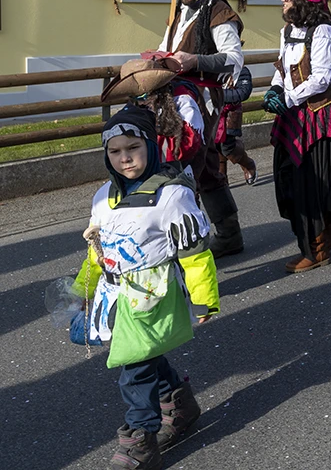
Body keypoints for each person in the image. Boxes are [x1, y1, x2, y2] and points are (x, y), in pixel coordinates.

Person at [73, 105, 219, 469]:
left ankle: (140, 437)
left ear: (151, 146)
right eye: (115, 151)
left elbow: (195, 254)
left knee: (133, 365)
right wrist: (83, 290)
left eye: (133, 148)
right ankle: (180, 403)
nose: (125, 159)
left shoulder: (171, 195)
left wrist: (205, 300)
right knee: (144, 355)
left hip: (153, 296)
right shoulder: (103, 196)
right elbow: (97, 251)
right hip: (115, 294)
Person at [264, 0, 331, 273]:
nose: (282, 0)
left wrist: (288, 97)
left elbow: (322, 79)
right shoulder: (287, 31)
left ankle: (316, 247)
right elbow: (282, 66)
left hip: (317, 117)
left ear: (302, 0)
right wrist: (275, 89)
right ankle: (315, 235)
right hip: (293, 115)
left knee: (311, 183)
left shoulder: (324, 32)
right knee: (287, 177)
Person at [157, 0, 245, 258]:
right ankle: (229, 234)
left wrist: (195, 59)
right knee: (205, 167)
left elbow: (233, 58)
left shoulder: (218, 12)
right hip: (175, 97)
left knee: (188, 166)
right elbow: (165, 52)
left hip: (203, 101)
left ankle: (190, 248)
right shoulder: (179, 13)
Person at [218, 65, 258, 186]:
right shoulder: (210, 67)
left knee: (227, 147)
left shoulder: (240, 69)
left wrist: (217, 94)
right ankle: (221, 179)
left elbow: (243, 92)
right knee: (213, 147)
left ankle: (248, 164)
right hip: (211, 113)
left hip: (230, 114)